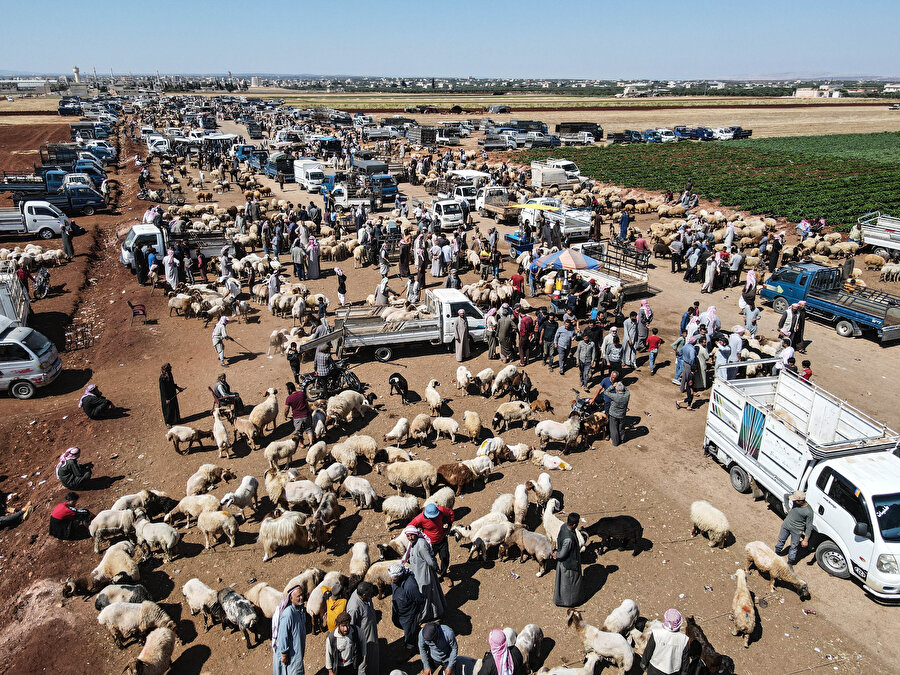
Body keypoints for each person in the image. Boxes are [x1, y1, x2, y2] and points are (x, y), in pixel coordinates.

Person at [408, 503, 455, 580]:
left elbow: (451, 513)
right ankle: (432, 576)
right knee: (429, 561)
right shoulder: (419, 519)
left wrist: (449, 525)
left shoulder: (441, 510)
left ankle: (444, 574)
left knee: (445, 557)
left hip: (442, 539)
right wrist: (416, 537)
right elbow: (409, 527)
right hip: (429, 544)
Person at [640, 609, 690, 675]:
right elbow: (685, 660)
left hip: (655, 669)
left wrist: (643, 664)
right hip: (673, 672)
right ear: (679, 623)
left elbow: (649, 650)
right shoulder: (684, 639)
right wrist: (684, 672)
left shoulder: (656, 633)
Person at [390, 564, 425, 654]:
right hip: (399, 610)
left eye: (395, 578)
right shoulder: (395, 581)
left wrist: (414, 613)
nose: (392, 580)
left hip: (408, 614)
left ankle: (409, 649)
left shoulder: (410, 586)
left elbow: (419, 600)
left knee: (409, 633)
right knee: (397, 622)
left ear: (400, 575)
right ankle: (414, 629)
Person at [273, 585, 307, 675]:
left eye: (302, 595)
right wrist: (284, 654)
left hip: (297, 650)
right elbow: (282, 636)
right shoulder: (288, 614)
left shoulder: (300, 610)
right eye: (298, 596)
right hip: (291, 654)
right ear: (291, 598)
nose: (301, 597)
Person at [775, 491, 813, 570]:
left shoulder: (809, 511)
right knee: (781, 540)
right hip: (786, 525)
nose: (793, 501)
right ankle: (776, 553)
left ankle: (790, 562)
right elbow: (786, 496)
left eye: (795, 501)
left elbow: (809, 526)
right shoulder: (796, 501)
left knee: (794, 546)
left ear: (799, 501)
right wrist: (788, 508)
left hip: (797, 530)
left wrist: (805, 540)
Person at [346, 582, 379, 675]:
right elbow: (351, 627)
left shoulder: (365, 597)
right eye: (370, 593)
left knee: (372, 657)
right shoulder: (354, 607)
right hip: (364, 638)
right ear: (364, 595)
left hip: (371, 631)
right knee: (363, 662)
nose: (372, 595)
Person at [553, 512, 583, 607]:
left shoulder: (563, 526)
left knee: (562, 583)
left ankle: (560, 599)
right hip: (569, 564)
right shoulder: (568, 540)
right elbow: (562, 554)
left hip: (564, 563)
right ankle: (569, 602)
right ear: (574, 525)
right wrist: (557, 555)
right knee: (570, 585)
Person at [284, 382, 312, 447]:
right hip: (306, 415)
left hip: (297, 417)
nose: (287, 391)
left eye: (287, 389)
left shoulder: (289, 398)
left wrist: (285, 415)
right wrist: (309, 411)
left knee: (299, 431)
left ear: (290, 389)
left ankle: (301, 444)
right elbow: (306, 403)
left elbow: (286, 409)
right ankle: (311, 442)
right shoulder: (302, 393)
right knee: (309, 429)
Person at [605, 381, 630, 446]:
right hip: (622, 414)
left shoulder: (615, 396)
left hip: (613, 414)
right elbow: (626, 390)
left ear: (616, 389)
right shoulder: (627, 395)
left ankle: (615, 442)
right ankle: (622, 439)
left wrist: (612, 386)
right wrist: (622, 384)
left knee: (614, 429)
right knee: (621, 428)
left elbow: (606, 392)